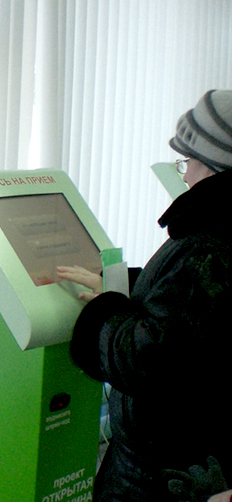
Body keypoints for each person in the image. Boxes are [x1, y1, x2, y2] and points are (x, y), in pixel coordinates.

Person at [56, 89, 232, 502]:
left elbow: (148, 359)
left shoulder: (207, 244)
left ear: (214, 165)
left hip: (162, 475)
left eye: (187, 162)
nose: (184, 176)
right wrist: (132, 286)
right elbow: (194, 312)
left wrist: (103, 312)